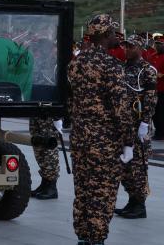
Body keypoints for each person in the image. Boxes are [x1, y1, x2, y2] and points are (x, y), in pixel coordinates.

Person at [68, 14, 134, 245]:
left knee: (83, 190)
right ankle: (96, 240)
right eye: (114, 32)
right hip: (104, 141)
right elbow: (121, 109)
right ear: (106, 35)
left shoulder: (76, 62)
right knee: (102, 193)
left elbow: (70, 99)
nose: (117, 36)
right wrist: (129, 142)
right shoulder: (110, 65)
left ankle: (83, 238)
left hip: (79, 138)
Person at [114, 34, 157, 219]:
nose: (127, 49)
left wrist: (145, 122)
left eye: (131, 46)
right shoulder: (122, 68)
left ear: (140, 48)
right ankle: (132, 200)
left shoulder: (147, 70)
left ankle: (140, 205)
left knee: (138, 167)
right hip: (125, 125)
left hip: (139, 124)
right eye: (126, 46)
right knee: (125, 166)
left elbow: (150, 98)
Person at [29, 117, 62, 199]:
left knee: (49, 146)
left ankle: (51, 186)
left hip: (49, 111)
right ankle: (45, 183)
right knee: (37, 142)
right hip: (36, 109)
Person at [148, 38, 164, 140]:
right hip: (154, 88)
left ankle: (161, 133)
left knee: (161, 112)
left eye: (160, 44)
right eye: (157, 43)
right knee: (155, 112)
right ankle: (158, 131)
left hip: (163, 88)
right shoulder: (152, 56)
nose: (158, 46)